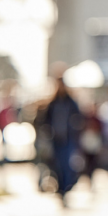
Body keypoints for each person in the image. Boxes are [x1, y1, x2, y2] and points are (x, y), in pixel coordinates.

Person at [35, 69, 83, 205]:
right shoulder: (52, 103)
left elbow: (79, 118)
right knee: (57, 166)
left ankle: (66, 189)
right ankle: (61, 189)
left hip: (68, 139)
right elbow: (44, 120)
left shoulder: (71, 102)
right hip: (56, 139)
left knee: (67, 165)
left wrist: (75, 128)